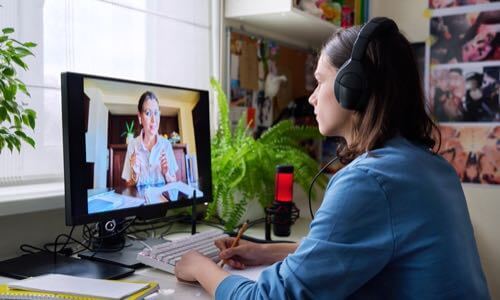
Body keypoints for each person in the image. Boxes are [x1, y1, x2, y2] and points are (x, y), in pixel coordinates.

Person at [175, 17, 489, 299]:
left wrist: (201, 268)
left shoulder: (369, 181)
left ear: (351, 88)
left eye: (320, 80)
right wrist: (265, 251)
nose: (312, 96)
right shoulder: (432, 167)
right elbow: (348, 252)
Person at [122, 91, 178, 187]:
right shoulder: (133, 145)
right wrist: (135, 174)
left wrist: (167, 173)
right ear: (140, 117)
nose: (154, 120)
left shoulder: (166, 144)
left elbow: (174, 182)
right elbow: (128, 185)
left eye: (156, 113)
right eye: (148, 113)